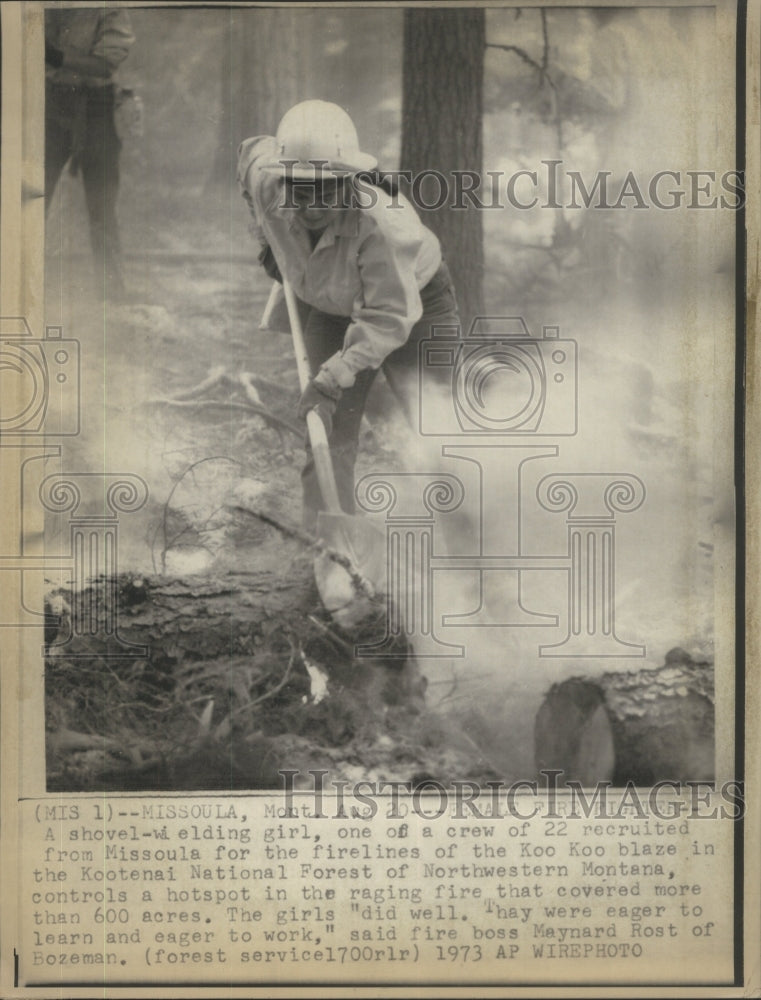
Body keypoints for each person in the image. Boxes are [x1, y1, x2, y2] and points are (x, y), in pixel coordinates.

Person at [237, 100, 460, 530]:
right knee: (326, 424)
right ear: (282, 180)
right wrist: (264, 237)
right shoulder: (267, 185)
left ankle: (468, 542)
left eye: (327, 190)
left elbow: (388, 318)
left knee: (438, 426)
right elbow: (250, 150)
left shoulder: (385, 228)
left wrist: (331, 377)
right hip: (333, 306)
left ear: (350, 181)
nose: (313, 206)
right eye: (301, 191)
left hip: (412, 307)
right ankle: (328, 539)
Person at [45, 7, 135, 301]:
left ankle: (113, 296)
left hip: (97, 109)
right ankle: (17, 286)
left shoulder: (110, 7)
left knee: (102, 207)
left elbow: (106, 63)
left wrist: (52, 55)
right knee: (31, 199)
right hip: (50, 103)